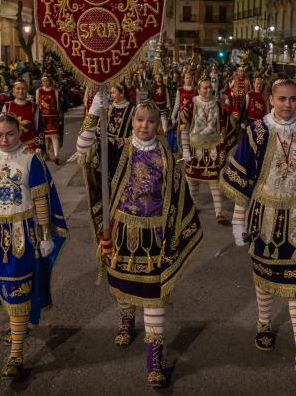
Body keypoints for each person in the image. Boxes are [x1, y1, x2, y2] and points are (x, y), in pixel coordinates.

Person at [73, 100, 203, 387]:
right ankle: (126, 321)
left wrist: (176, 232)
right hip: (122, 232)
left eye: (151, 121)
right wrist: (95, 110)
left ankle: (154, 362)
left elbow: (177, 197)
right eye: (140, 120)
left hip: (155, 237)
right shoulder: (117, 147)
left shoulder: (167, 157)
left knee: (154, 295)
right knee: (122, 285)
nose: (144, 126)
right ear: (132, 121)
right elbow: (83, 149)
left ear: (158, 125)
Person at [220, 76, 296, 383]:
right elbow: (244, 179)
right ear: (271, 99)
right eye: (281, 98)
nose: (287, 104)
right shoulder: (256, 132)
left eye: (293, 99)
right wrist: (238, 219)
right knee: (265, 278)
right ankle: (264, 323)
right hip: (264, 218)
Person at [0, 113, 68, 378]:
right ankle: (17, 327)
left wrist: (45, 236)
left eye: (10, 134)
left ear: (19, 132)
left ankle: (16, 355)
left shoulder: (32, 160)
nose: (4, 140)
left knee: (18, 291)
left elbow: (41, 199)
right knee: (4, 288)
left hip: (23, 238)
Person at [180, 77, 238, 224]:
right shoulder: (190, 105)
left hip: (213, 149)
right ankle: (193, 207)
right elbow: (184, 128)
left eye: (210, 87)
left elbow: (226, 127)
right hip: (194, 149)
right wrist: (185, 149)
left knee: (214, 181)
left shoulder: (219, 106)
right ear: (198, 90)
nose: (208, 90)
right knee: (193, 181)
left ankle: (219, 212)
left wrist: (224, 146)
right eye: (205, 88)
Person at [2, 80, 42, 152]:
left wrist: (39, 146)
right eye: (18, 88)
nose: (21, 91)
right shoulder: (7, 106)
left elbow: (38, 127)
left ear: (27, 90)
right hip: (12, 146)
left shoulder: (34, 107)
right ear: (13, 90)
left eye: (23, 88)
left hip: (30, 146)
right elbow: (3, 128)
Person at [36, 75, 61, 164]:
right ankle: (46, 154)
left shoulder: (55, 91)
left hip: (52, 117)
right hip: (42, 117)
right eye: (43, 81)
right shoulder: (38, 91)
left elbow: (57, 105)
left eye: (46, 81)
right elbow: (37, 104)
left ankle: (56, 155)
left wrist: (58, 116)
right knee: (45, 137)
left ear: (49, 81)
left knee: (54, 136)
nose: (45, 83)